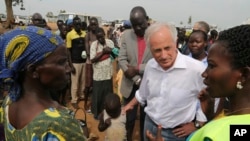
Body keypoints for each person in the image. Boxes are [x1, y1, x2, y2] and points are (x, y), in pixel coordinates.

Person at [123, 22, 207, 141]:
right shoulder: (151, 66)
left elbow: (211, 98)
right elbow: (143, 93)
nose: (163, 56)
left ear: (176, 42)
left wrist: (197, 124)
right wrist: (130, 105)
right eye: (157, 50)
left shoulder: (196, 69)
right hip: (149, 125)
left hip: (176, 134)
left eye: (167, 48)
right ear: (150, 49)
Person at [0, 26, 87, 140]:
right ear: (33, 71)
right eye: (61, 62)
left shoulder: (9, 102)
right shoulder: (59, 124)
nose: (69, 69)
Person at [118, 6, 153, 141]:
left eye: (140, 24)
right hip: (130, 85)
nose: (138, 28)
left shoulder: (154, 36)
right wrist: (137, 79)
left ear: (147, 19)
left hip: (149, 86)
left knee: (146, 120)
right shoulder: (127, 35)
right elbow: (121, 59)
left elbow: (156, 62)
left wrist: (138, 69)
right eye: (134, 25)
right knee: (128, 119)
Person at [90, 27, 114, 119]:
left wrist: (111, 51)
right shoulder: (94, 45)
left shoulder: (110, 43)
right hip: (98, 75)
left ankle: (107, 113)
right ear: (96, 37)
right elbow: (92, 60)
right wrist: (103, 52)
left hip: (108, 73)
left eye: (102, 37)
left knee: (107, 95)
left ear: (104, 35)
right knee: (98, 95)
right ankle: (97, 114)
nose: (100, 39)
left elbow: (115, 55)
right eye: (98, 37)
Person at [66, 16, 87, 108]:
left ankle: (81, 96)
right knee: (75, 83)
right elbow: (68, 51)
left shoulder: (84, 33)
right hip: (75, 62)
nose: (78, 26)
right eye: (76, 24)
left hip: (84, 61)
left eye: (79, 24)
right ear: (73, 25)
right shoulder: (70, 35)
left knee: (83, 81)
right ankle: (74, 100)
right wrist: (71, 65)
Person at [84, 17, 99, 112]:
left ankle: (94, 102)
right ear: (89, 25)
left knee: (96, 84)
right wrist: (92, 57)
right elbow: (87, 50)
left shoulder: (99, 35)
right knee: (88, 84)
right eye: (92, 24)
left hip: (98, 62)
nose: (93, 26)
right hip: (90, 62)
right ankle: (85, 103)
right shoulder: (88, 35)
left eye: (95, 24)